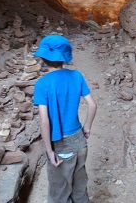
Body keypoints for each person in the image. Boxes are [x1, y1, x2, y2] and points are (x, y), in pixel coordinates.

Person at [33, 35, 97, 203]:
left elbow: (45, 121)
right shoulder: (76, 75)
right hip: (79, 139)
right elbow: (92, 105)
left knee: (59, 192)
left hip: (60, 143)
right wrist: (87, 127)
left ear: (43, 58)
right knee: (79, 185)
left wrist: (49, 150)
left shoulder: (42, 84)